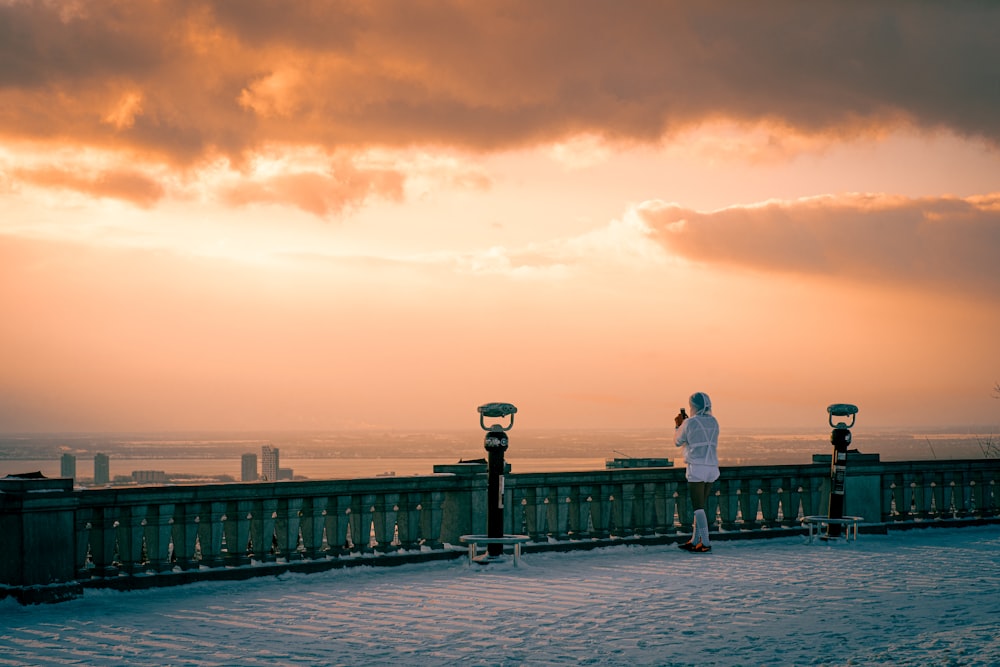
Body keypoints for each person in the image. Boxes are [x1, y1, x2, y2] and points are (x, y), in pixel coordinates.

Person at [674, 392, 720, 553]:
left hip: (697, 467)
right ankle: (694, 540)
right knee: (700, 506)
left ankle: (705, 542)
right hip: (712, 467)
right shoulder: (714, 422)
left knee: (697, 507)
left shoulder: (690, 423)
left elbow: (677, 441)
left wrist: (679, 425)